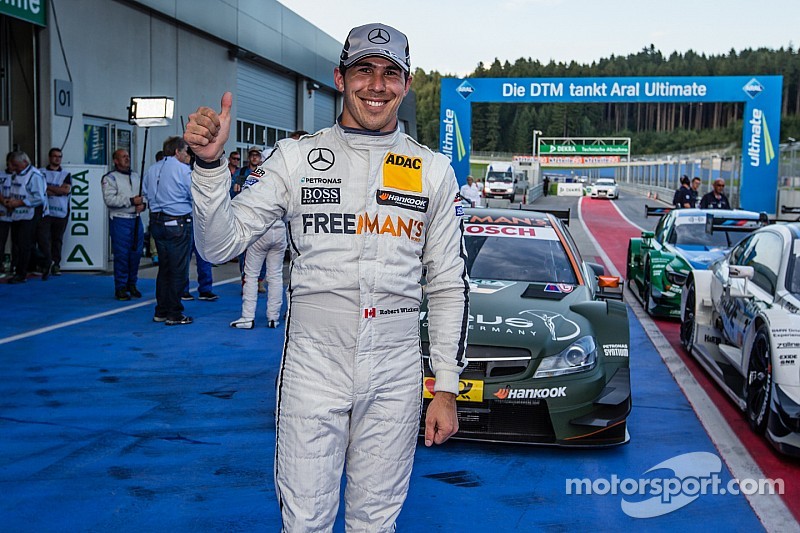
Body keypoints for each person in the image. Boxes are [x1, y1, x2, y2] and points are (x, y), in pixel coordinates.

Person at [185, 22, 468, 531]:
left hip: (396, 364)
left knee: (375, 521)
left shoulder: (433, 170)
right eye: (364, 71)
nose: (376, 85)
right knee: (306, 522)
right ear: (340, 77)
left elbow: (447, 285)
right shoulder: (295, 159)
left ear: (407, 84)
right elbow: (217, 244)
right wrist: (209, 169)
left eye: (390, 74)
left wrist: (445, 385)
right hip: (314, 362)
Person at [143, 137, 194, 325]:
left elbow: (146, 193)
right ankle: (174, 313)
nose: (189, 155)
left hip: (156, 221)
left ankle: (161, 310)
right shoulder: (182, 170)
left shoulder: (152, 169)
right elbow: (193, 194)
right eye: (186, 151)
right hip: (177, 222)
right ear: (177, 152)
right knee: (178, 269)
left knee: (164, 269)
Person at [229, 170, 286, 329]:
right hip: (279, 229)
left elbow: (244, 200)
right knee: (275, 275)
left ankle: (247, 317)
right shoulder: (284, 176)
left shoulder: (255, 175)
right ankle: (273, 317)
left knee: (251, 275)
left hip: (260, 228)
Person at [101, 149, 145, 299]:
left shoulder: (136, 176)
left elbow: (144, 196)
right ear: (116, 160)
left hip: (136, 218)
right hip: (120, 219)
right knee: (122, 255)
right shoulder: (110, 178)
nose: (127, 159)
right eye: (123, 157)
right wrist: (132, 201)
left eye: (128, 156)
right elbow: (110, 200)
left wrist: (143, 205)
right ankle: (120, 287)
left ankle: (131, 284)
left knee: (136, 254)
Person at [4, 151, 48, 284]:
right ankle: (45, 261)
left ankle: (21, 274)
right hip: (17, 212)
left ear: (24, 162)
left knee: (24, 243)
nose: (13, 168)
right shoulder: (15, 175)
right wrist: (10, 202)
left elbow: (39, 198)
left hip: (30, 213)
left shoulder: (34, 175)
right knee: (19, 242)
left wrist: (19, 203)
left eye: (15, 165)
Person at [39, 148, 72, 276]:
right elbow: (39, 189)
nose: (57, 158)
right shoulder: (41, 172)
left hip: (61, 211)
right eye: (55, 156)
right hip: (45, 211)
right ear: (49, 157)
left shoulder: (65, 174)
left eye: (60, 156)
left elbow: (65, 190)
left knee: (57, 239)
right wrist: (57, 189)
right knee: (43, 239)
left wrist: (48, 188)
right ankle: (45, 263)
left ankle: (56, 264)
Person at [0, 154, 12, 276]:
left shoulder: (23, 176)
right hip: (2, 212)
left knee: (19, 242)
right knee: (1, 241)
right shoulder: (1, 175)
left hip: (18, 213)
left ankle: (16, 265)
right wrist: (4, 202)